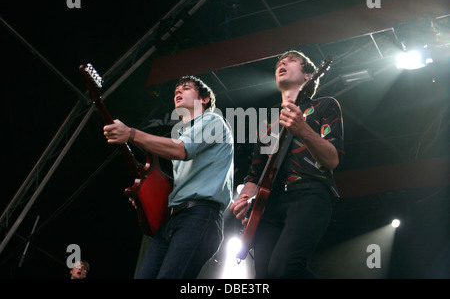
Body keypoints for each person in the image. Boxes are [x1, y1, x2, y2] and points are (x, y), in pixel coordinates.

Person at [103, 75, 234, 279]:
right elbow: (174, 180)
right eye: (176, 91)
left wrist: (131, 134)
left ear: (205, 99)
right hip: (174, 219)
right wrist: (146, 197)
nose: (178, 92)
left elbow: (181, 150)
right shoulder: (181, 133)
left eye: (186, 88)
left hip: (200, 216)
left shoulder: (213, 120)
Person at [230, 50, 345, 278]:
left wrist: (302, 129)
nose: (282, 63)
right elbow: (254, 176)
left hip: (309, 194)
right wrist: (244, 200)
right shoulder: (265, 124)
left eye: (292, 60)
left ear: (309, 75)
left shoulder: (325, 106)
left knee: (283, 269)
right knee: (263, 275)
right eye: (279, 63)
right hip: (269, 203)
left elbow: (332, 159)